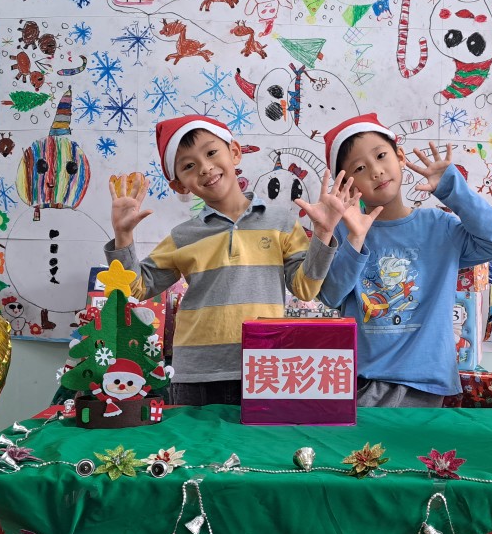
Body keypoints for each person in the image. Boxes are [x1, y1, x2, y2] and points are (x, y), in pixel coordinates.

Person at [105, 115, 350, 406]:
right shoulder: (183, 236)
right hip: (196, 375)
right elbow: (135, 288)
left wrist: (323, 233)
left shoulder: (282, 223)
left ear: (234, 152)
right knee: (195, 438)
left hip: (263, 368)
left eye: (211, 152)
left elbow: (305, 289)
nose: (205, 168)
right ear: (180, 185)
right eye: (188, 166)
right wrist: (123, 236)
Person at [317, 114, 492, 407]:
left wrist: (452, 189)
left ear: (400, 157)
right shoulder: (344, 232)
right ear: (348, 185)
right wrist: (355, 238)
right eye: (360, 168)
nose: (376, 171)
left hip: (427, 382)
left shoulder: (439, 227)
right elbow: (331, 296)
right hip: (363, 381)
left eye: (381, 156)